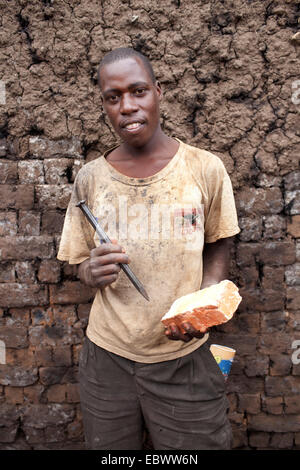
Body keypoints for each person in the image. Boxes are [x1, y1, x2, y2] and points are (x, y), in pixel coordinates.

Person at [57, 47, 240, 450]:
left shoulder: (203, 168)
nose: (127, 106)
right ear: (104, 104)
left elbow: (220, 243)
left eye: (138, 91)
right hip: (107, 359)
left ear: (159, 92)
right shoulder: (90, 179)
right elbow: (79, 266)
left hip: (186, 358)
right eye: (113, 96)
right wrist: (92, 270)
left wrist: (203, 301)